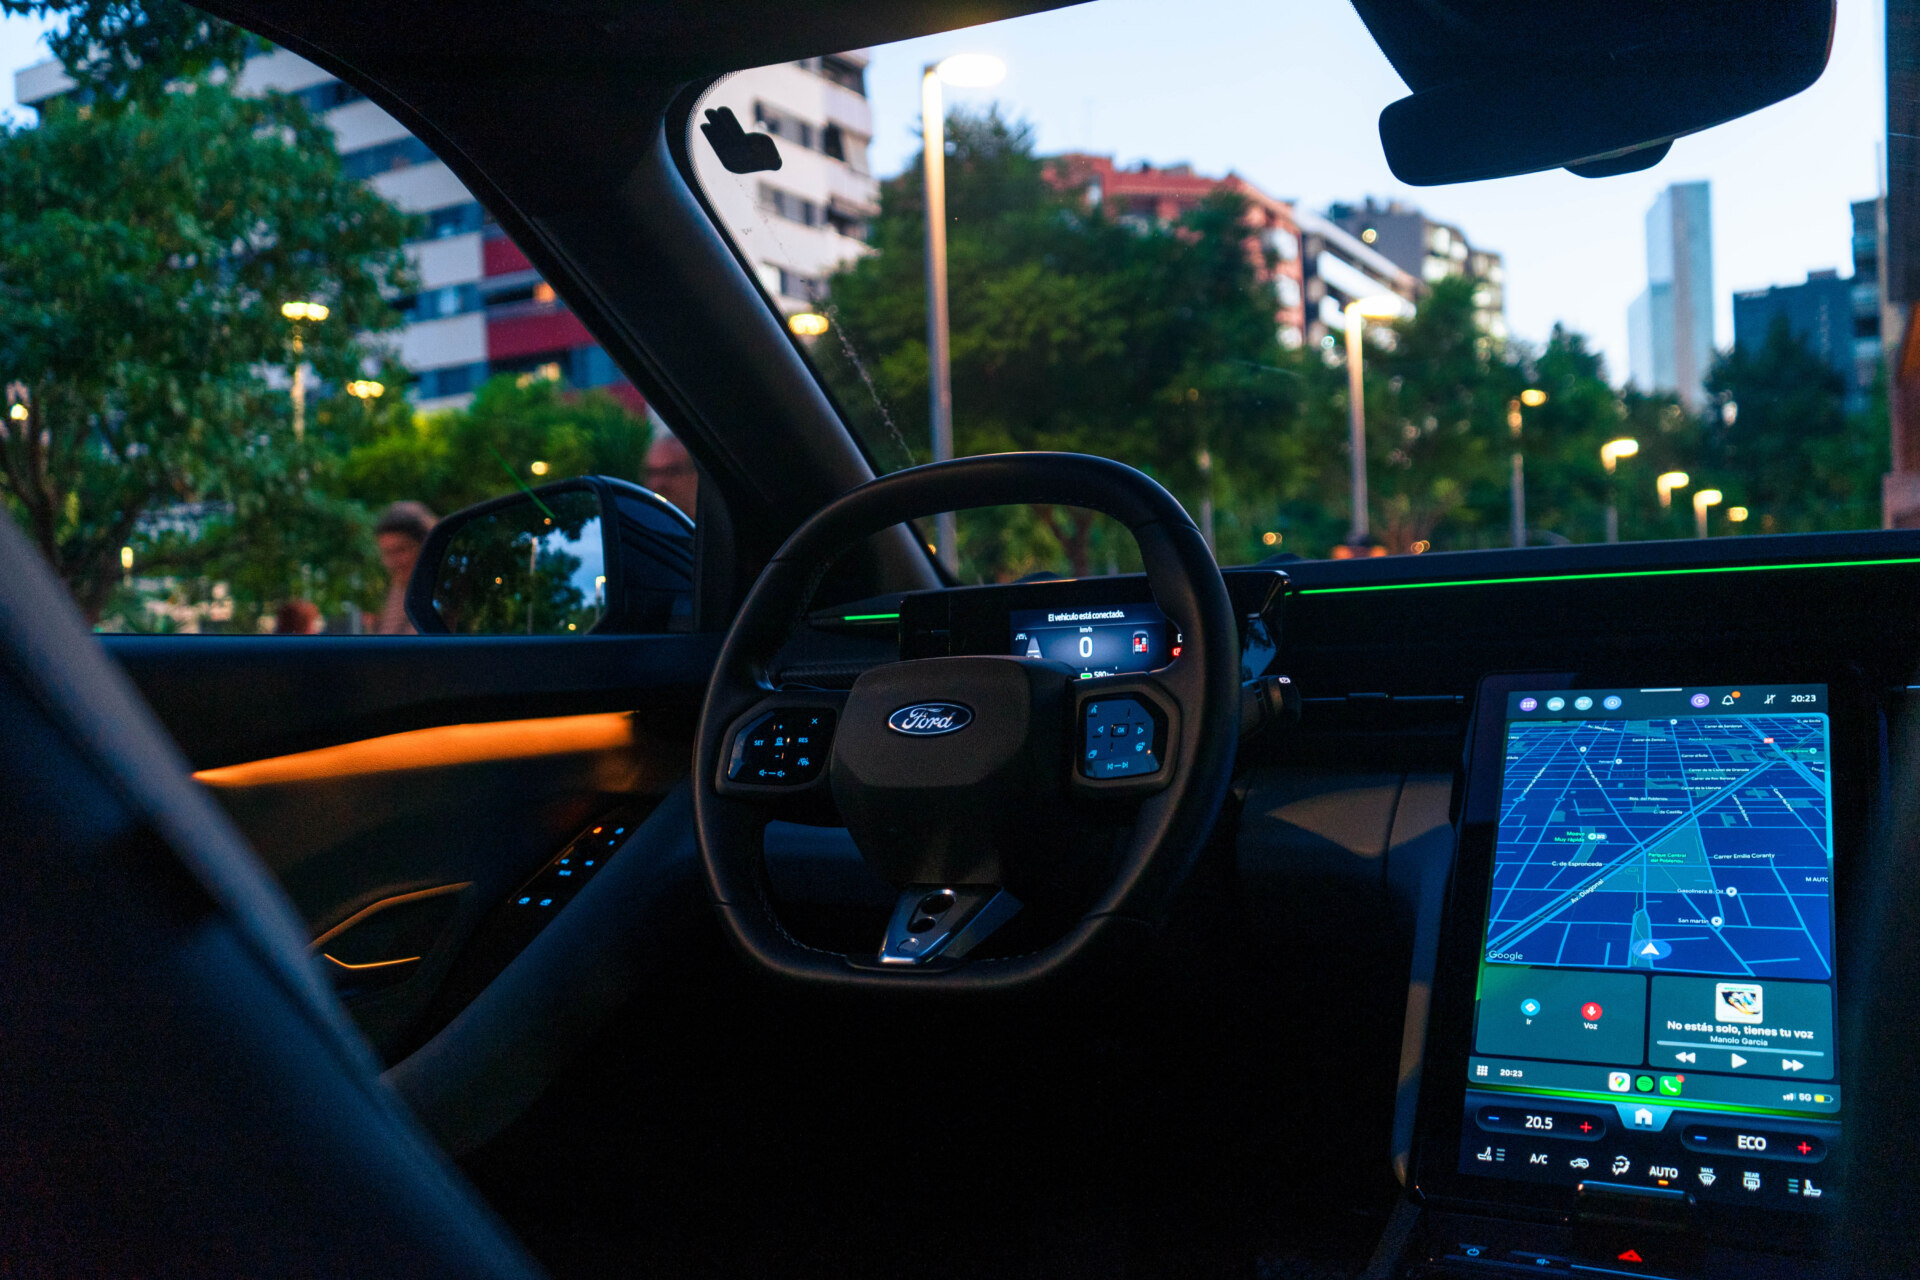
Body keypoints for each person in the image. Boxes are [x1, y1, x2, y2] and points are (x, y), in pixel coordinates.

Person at [370, 501, 436, 635]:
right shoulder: (399, 589)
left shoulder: (443, 596)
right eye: (386, 553)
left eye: (400, 550)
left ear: (426, 547)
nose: (391, 562)